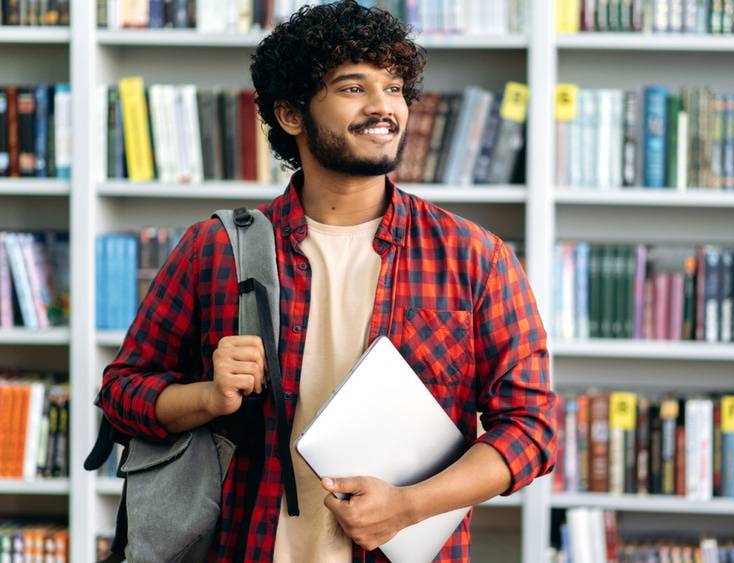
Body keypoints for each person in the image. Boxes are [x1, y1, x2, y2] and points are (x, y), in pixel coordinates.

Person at [98, 1, 558, 561]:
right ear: (291, 114)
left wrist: (409, 506)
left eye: (394, 88)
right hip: (245, 547)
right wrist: (207, 398)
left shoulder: (475, 257)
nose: (383, 107)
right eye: (353, 88)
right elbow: (121, 394)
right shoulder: (216, 249)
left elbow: (531, 429)